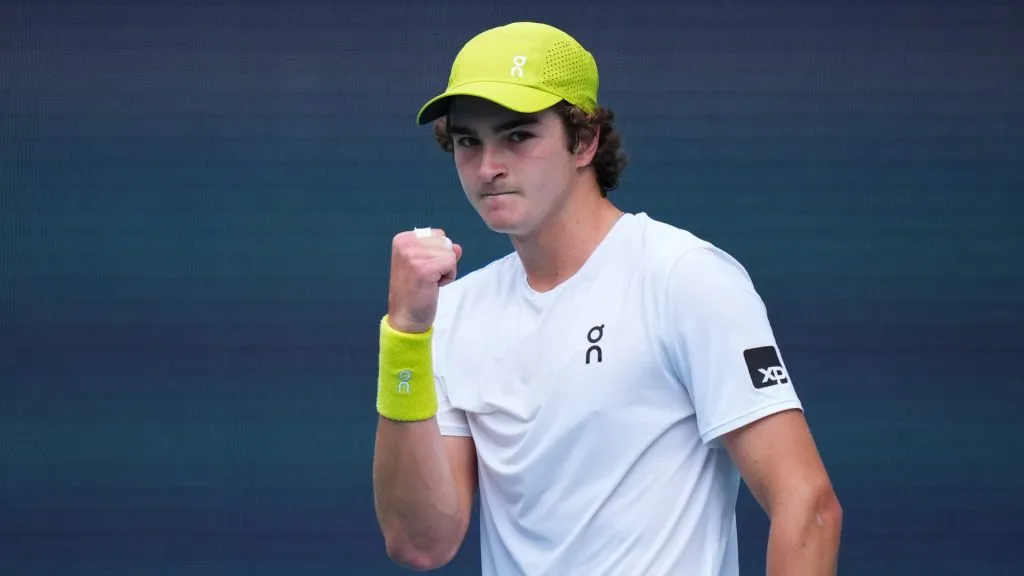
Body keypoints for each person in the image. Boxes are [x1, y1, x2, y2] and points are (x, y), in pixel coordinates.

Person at [372, 21, 842, 575]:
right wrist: (405, 336)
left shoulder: (683, 278)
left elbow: (807, 505)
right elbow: (421, 542)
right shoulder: (451, 314)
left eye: (518, 136)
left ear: (586, 140)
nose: (488, 167)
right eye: (468, 140)